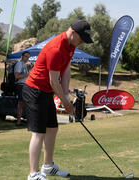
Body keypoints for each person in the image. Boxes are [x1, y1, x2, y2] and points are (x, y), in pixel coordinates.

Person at [23, 20, 93, 180]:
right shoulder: (56, 48)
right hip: (34, 90)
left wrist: (66, 97)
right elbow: (54, 81)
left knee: (52, 128)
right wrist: (67, 104)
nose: (82, 42)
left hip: (46, 91)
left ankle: (47, 166)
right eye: (81, 38)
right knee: (38, 133)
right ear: (73, 32)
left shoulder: (71, 46)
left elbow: (66, 70)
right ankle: (33, 174)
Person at [14, 51, 30, 126]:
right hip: (21, 85)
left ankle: (28, 120)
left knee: (28, 103)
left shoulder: (28, 65)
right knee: (20, 103)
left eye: (28, 57)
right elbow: (17, 76)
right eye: (26, 56)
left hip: (28, 85)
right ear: (22, 56)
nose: (27, 58)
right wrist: (27, 75)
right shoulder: (19, 64)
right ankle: (18, 121)